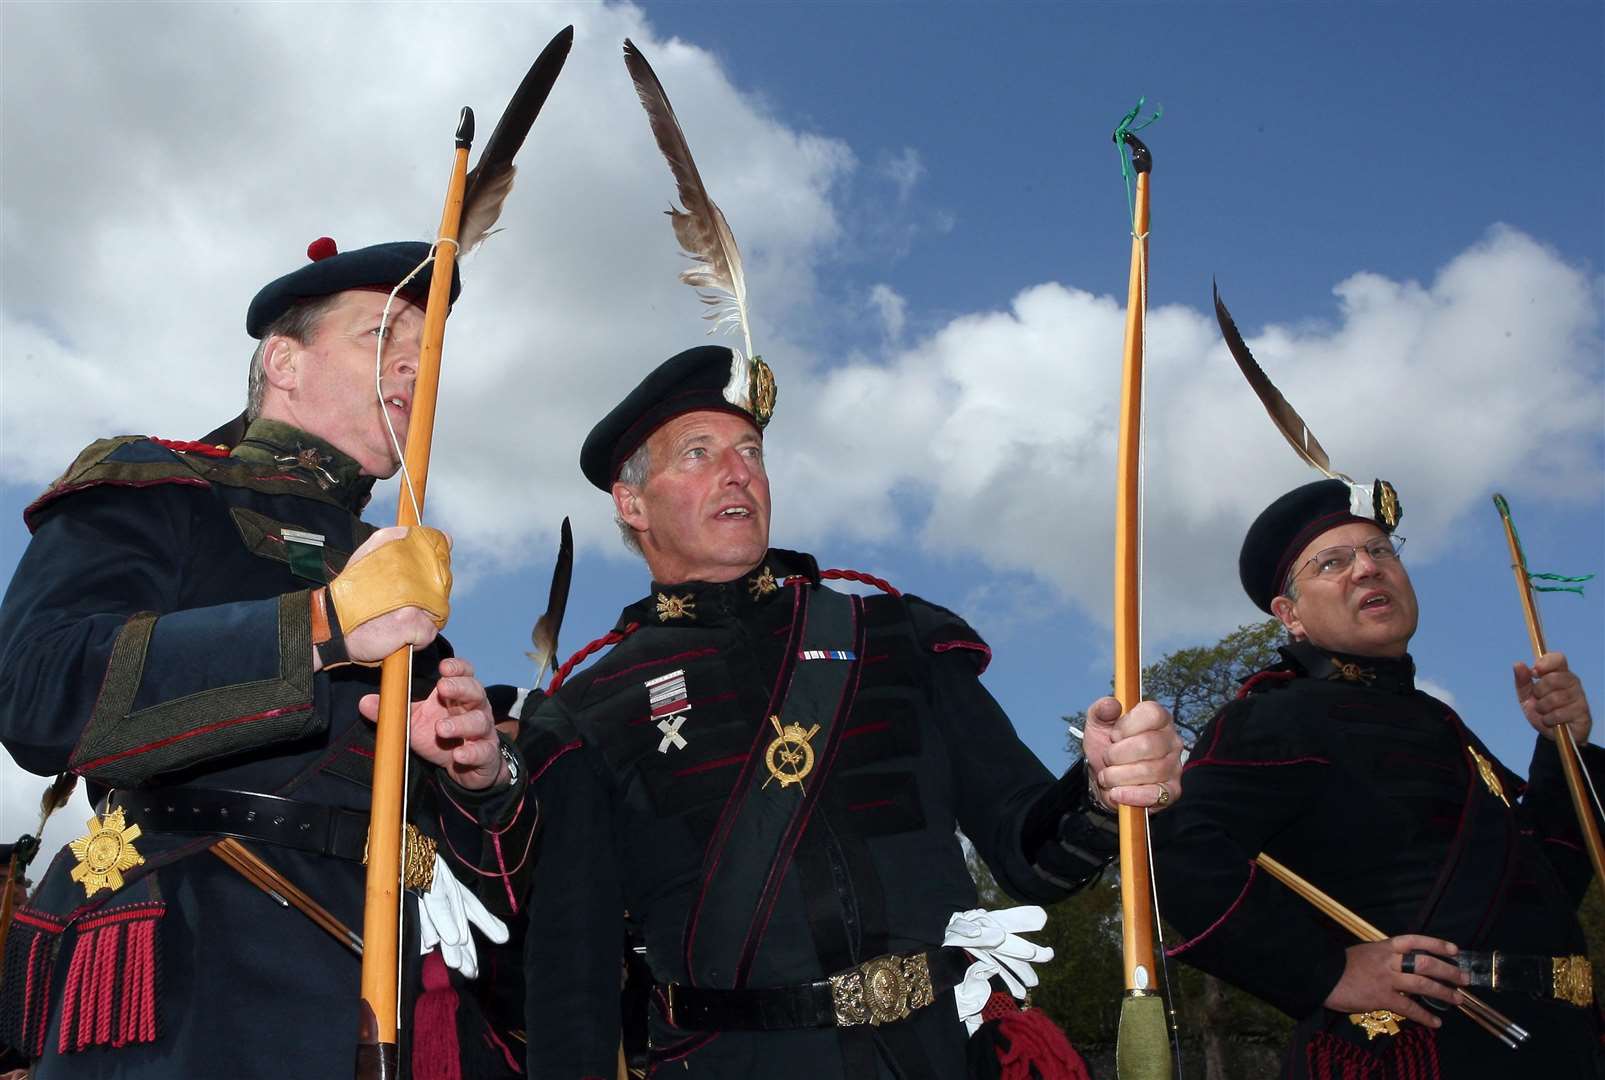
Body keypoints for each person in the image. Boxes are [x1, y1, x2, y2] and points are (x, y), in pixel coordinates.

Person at [516, 345, 1184, 1079]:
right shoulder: (586, 709)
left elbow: (1032, 862)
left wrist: (1098, 792)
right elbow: (570, 968)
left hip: (941, 1052)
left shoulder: (896, 636)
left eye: (750, 451)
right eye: (698, 454)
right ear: (632, 502)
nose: (737, 472)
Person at [0, 238, 535, 1078]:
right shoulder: (162, 485)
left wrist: (476, 776)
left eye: (425, 352)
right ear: (284, 362)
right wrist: (321, 624)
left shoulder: (396, 565)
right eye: (381, 336)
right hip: (198, 970)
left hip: (394, 982)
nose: (412, 368)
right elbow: (40, 688)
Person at [1152, 478, 1601, 1078]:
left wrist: (1562, 748)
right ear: (1291, 617)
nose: (1366, 568)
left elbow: (1551, 884)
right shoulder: (1274, 714)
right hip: (1412, 1051)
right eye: (1333, 562)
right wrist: (1325, 971)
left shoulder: (1442, 724)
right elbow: (1175, 854)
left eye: (1381, 551)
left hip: (1556, 1046)